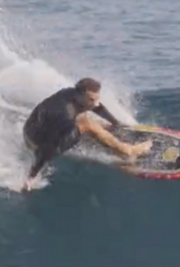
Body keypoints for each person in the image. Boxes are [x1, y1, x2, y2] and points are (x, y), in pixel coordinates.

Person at [21, 77, 152, 192]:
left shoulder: (71, 94)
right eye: (91, 99)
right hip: (37, 141)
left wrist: (115, 123)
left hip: (33, 127)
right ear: (80, 95)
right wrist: (31, 177)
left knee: (88, 121)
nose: (95, 103)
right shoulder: (65, 115)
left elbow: (96, 106)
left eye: (96, 98)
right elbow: (48, 149)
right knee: (86, 124)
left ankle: (108, 142)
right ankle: (127, 151)